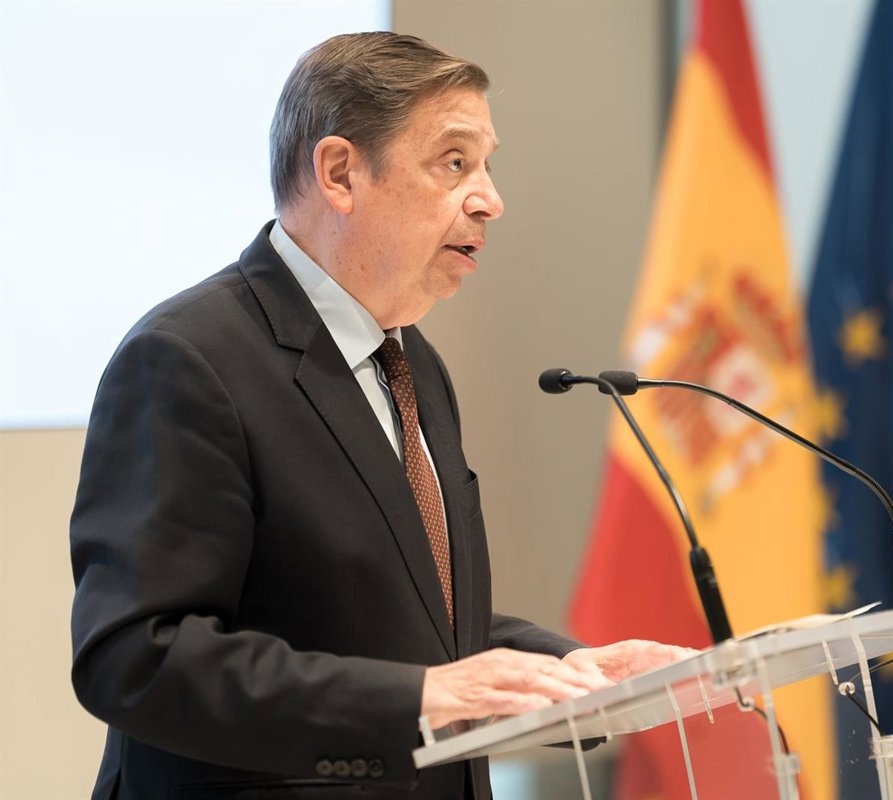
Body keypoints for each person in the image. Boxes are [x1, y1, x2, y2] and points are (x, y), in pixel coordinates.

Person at [69, 32, 687, 800]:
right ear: (340, 173)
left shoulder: (410, 359)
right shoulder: (187, 359)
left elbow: (409, 617)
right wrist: (419, 700)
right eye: (453, 163)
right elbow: (137, 658)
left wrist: (569, 671)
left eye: (487, 165)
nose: (490, 199)